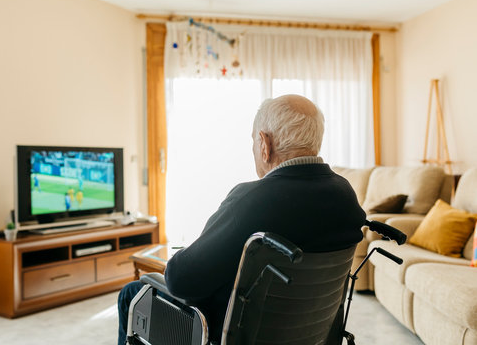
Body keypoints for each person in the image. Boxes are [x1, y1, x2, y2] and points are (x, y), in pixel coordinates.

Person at [117, 94, 365, 345]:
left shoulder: (252, 199)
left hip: (236, 334)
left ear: (264, 143)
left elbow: (181, 281)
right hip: (310, 335)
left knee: (132, 294)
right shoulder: (345, 194)